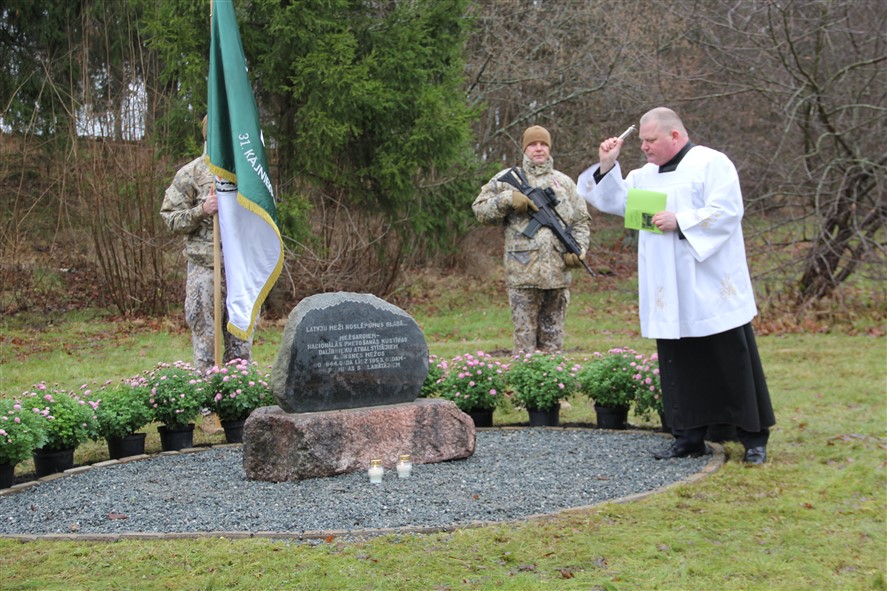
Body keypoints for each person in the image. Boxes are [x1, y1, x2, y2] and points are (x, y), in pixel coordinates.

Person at [577, 107, 775, 464]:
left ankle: (752, 438)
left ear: (674, 135)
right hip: (667, 287)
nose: (644, 147)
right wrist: (607, 165)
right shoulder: (644, 175)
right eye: (641, 141)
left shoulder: (712, 164)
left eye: (650, 140)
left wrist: (681, 220)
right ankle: (688, 437)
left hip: (709, 285)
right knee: (680, 366)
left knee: (731, 361)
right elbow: (613, 201)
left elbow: (728, 210)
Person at [473, 125, 591, 354]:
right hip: (522, 275)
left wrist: (579, 249)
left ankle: (551, 387)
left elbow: (581, 221)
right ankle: (525, 385)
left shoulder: (564, 183)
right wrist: (507, 199)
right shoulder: (506, 179)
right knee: (524, 346)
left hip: (557, 275)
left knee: (553, 346)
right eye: (533, 144)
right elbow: (480, 211)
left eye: (543, 144)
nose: (539, 149)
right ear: (525, 148)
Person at [160, 116, 254, 373]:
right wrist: (201, 210)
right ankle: (207, 404)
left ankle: (240, 401)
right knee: (206, 342)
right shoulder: (191, 174)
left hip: (239, 269)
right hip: (205, 269)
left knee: (241, 346)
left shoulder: (247, 171)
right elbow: (170, 218)